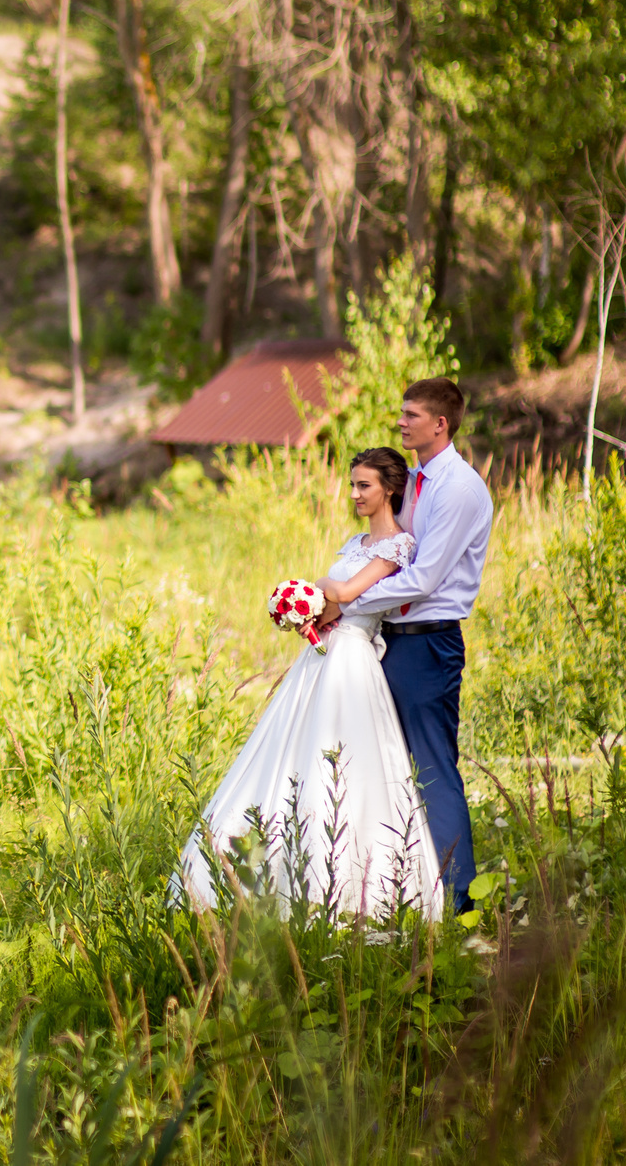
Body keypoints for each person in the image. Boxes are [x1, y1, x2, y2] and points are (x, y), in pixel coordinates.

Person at [177, 447, 441, 919]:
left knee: (344, 759)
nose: (356, 493)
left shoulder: (398, 546)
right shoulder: (354, 541)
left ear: (390, 490)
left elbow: (346, 593)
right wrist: (310, 613)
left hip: (353, 659)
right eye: (354, 484)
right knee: (287, 751)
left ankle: (344, 885)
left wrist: (319, 591)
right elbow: (335, 598)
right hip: (322, 654)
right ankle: (257, 869)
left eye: (365, 485)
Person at [319, 377, 491, 915]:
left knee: (433, 766)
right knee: (385, 763)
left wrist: (345, 601)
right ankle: (396, 886)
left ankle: (458, 899)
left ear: (440, 424)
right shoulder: (415, 480)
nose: (401, 422)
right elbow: (393, 552)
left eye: (411, 414)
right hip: (387, 643)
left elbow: (424, 579)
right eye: (402, 413)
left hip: (427, 644)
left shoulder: (458, 488)